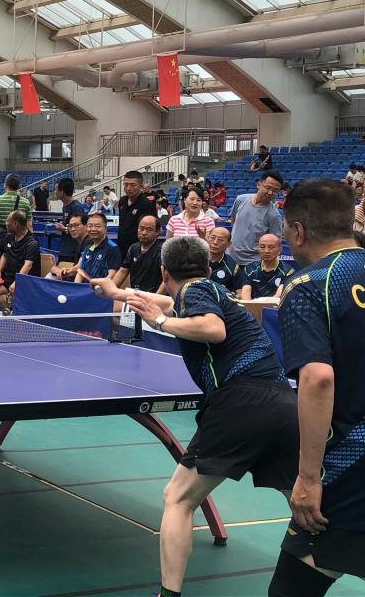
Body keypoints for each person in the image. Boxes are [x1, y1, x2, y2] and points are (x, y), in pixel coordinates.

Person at [90, 237, 297, 597]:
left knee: (178, 498)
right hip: (282, 402)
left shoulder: (195, 290)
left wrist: (159, 322)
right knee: (304, 505)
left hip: (241, 402)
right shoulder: (212, 290)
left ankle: (169, 594)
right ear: (207, 267)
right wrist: (117, 292)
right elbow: (168, 302)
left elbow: (212, 329)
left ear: (164, 272)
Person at [269, 179, 365, 595]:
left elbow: (318, 377)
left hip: (350, 466)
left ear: (298, 231)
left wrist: (308, 477)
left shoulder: (307, 286)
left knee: (291, 589)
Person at [229, 171, 284, 265]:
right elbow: (233, 221)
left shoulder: (274, 216)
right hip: (231, 257)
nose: (270, 192)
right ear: (259, 184)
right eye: (268, 188)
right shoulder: (240, 200)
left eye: (275, 191)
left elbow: (274, 242)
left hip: (254, 262)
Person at [0, 210, 41, 311]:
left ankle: (13, 310)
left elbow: (28, 265)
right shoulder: (9, 237)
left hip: (25, 282)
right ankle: (7, 312)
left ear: (15, 224)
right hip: (8, 280)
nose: (5, 223)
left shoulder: (32, 242)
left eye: (7, 221)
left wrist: (17, 282)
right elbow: (5, 255)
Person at [114, 214, 163, 292]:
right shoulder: (133, 248)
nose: (144, 233)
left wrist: (156, 297)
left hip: (154, 295)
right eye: (141, 228)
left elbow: (167, 280)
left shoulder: (162, 250)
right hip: (135, 293)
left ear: (157, 232)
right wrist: (111, 289)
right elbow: (123, 271)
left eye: (149, 230)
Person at [237, 233, 295, 300]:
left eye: (271, 247)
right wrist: (251, 305)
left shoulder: (288, 271)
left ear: (280, 249)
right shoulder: (249, 269)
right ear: (258, 248)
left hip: (275, 306)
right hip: (252, 305)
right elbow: (245, 295)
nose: (266, 251)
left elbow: (278, 297)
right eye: (262, 247)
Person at [117, 170, 160, 256]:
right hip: (121, 247)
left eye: (133, 185)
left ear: (141, 187)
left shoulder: (147, 204)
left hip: (138, 250)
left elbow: (153, 228)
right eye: (126, 184)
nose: (128, 188)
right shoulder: (122, 201)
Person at [75, 211, 121, 283]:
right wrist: (76, 287)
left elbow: (111, 276)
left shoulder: (112, 249)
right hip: (84, 288)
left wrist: (96, 287)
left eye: (97, 226)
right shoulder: (87, 249)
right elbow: (80, 272)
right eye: (90, 226)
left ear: (106, 228)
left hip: (102, 289)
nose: (93, 229)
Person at [0, 174, 31, 240]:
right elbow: (29, 224)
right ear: (18, 186)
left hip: (0, 238)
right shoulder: (25, 202)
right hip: (19, 239)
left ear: (5, 185)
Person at [50, 212, 87, 281]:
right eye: (70, 226)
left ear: (86, 226)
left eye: (76, 225)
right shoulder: (80, 243)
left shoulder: (89, 242)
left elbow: (80, 267)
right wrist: (62, 270)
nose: (73, 229)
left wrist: (61, 272)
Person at [206, 227, 243, 292]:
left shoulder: (232, 265)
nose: (215, 242)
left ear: (229, 244)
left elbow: (239, 291)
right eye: (212, 238)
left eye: (220, 240)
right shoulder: (195, 259)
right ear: (207, 238)